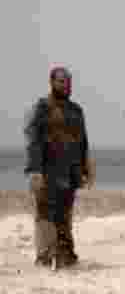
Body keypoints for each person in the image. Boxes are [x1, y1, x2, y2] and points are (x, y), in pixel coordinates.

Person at [24, 66, 95, 269]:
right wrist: (35, 170)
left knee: (65, 214)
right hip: (47, 171)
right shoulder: (42, 108)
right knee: (45, 214)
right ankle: (45, 256)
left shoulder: (76, 110)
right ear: (52, 82)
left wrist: (86, 169)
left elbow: (83, 142)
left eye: (69, 81)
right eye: (62, 81)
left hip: (70, 172)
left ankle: (65, 255)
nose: (66, 85)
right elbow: (34, 140)